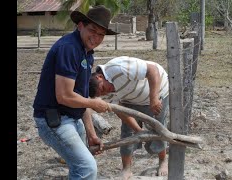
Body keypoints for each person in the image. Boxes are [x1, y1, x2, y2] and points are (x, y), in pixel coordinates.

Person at [32, 5, 119, 180]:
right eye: (92, 30)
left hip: (71, 118)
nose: (95, 38)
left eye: (100, 34)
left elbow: (81, 96)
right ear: (80, 26)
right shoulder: (69, 48)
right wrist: (94, 103)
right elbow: (64, 96)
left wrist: (92, 134)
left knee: (80, 167)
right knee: (86, 168)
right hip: (54, 120)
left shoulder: (86, 53)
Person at [89, 56, 170, 179]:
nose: (107, 93)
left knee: (158, 128)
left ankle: (163, 161)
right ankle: (126, 168)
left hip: (157, 91)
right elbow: (120, 111)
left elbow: (152, 70)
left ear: (99, 77)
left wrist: (154, 98)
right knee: (127, 131)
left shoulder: (118, 68)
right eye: (103, 94)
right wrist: (138, 130)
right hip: (129, 99)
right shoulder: (103, 95)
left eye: (104, 89)